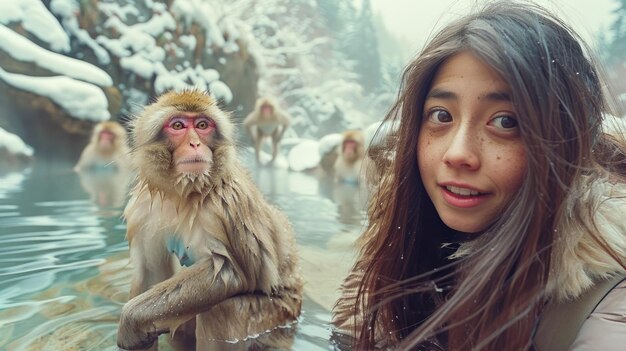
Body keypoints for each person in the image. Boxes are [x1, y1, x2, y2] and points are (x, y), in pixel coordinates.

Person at [331, 1, 626, 350]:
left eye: (506, 122)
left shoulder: (606, 303)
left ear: (570, 142)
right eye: (441, 115)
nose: (458, 153)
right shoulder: (397, 248)